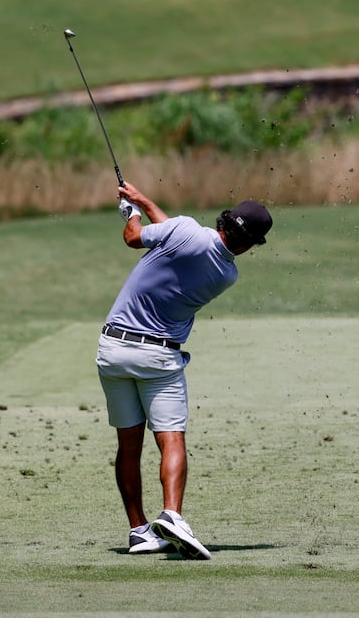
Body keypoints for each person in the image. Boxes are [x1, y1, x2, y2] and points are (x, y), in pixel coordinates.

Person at [95, 182, 273, 559]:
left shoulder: (186, 229)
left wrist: (132, 211)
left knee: (129, 444)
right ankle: (172, 515)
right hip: (158, 360)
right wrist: (142, 200)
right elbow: (175, 237)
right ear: (249, 245)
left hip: (112, 350)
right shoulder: (226, 275)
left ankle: (139, 531)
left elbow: (135, 238)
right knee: (170, 439)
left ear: (225, 219)